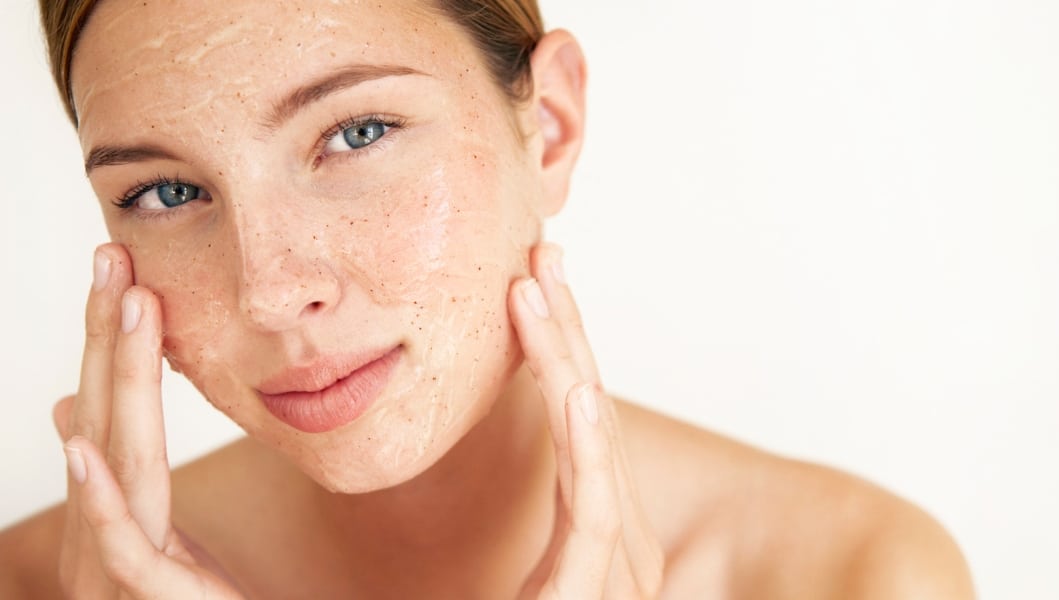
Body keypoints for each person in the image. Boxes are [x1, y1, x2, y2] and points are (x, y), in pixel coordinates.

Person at [0, 0, 974, 597]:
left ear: (548, 127)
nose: (271, 291)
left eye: (359, 133)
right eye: (164, 193)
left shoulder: (850, 579)